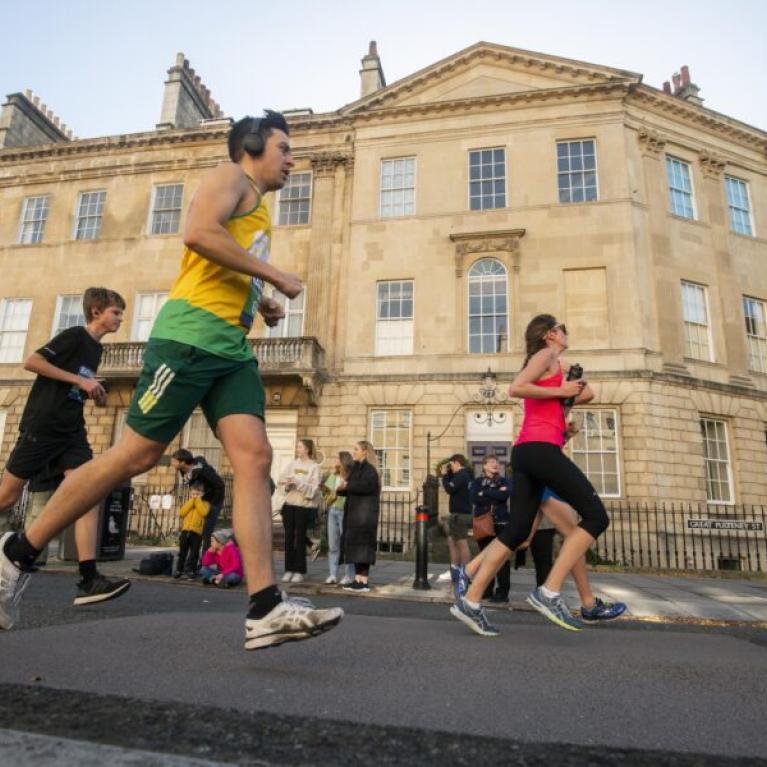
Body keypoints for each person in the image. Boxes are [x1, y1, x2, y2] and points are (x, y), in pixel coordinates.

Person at [0, 112, 343, 648]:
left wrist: (262, 301)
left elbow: (222, 264)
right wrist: (273, 275)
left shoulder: (260, 213)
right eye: (283, 148)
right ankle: (15, 557)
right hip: (187, 340)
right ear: (252, 147)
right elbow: (198, 234)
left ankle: (265, 607)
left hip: (229, 350)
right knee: (133, 457)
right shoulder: (231, 178)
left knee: (255, 459)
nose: (291, 159)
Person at [451, 314, 610, 636]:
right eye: (563, 328)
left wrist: (568, 385)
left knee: (516, 531)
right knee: (595, 517)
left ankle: (470, 600)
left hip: (529, 451)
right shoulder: (545, 354)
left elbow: (587, 394)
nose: (568, 333)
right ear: (551, 333)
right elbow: (516, 388)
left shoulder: (557, 362)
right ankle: (549, 592)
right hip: (539, 450)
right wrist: (561, 387)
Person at [0, 287, 130, 607]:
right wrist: (79, 381)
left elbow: (77, 385)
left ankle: (89, 579)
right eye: (116, 312)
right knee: (8, 495)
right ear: (97, 311)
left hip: (71, 431)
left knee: (86, 492)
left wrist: (92, 391)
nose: (120, 319)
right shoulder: (74, 336)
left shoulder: (96, 351)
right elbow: (33, 361)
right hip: (44, 425)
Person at [337, 441, 380, 593]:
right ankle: (357, 580)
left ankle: (364, 581)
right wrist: (340, 489)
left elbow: (365, 487)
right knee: (355, 548)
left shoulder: (370, 471)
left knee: (364, 548)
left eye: (356, 449)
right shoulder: (355, 469)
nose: (353, 452)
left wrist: (347, 486)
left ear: (365, 452)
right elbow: (350, 486)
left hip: (365, 515)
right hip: (354, 514)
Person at [277, 438, 321, 584]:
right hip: (290, 505)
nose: (297, 449)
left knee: (300, 538)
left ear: (307, 449)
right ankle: (289, 569)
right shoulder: (292, 464)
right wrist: (288, 485)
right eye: (297, 447)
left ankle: (299, 571)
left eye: (300, 447)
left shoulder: (314, 467)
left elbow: (314, 491)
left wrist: (299, 483)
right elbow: (281, 482)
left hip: (303, 507)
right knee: (289, 538)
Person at [469, 454, 511, 603]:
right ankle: (486, 590)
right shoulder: (477, 482)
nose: (495, 464)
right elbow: (475, 498)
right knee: (485, 558)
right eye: (491, 462)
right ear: (484, 466)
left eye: (496, 462)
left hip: (501, 524)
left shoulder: (504, 480)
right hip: (484, 524)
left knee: (501, 559)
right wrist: (495, 492)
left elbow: (504, 495)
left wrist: (485, 492)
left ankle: (502, 592)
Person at [171, 449, 225, 556]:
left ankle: (205, 563)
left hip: (211, 503)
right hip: (199, 502)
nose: (172, 463)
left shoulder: (204, 471)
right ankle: (193, 563)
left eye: (174, 461)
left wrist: (210, 503)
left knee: (206, 533)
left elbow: (220, 485)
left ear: (182, 462)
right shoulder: (185, 471)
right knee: (196, 531)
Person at [440, 454, 474, 599]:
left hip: (461, 515)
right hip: (457, 514)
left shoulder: (462, 475)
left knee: (461, 543)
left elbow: (449, 489)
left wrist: (444, 476)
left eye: (451, 465)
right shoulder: (461, 475)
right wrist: (447, 475)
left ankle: (465, 574)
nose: (450, 468)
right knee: (452, 541)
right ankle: (455, 570)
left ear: (457, 463)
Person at [322, 451, 355, 585]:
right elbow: (326, 495)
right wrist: (328, 494)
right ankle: (332, 574)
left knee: (346, 544)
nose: (335, 461)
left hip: (344, 511)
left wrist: (341, 490)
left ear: (344, 461)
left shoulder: (351, 478)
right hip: (332, 510)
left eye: (337, 458)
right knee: (333, 544)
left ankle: (349, 575)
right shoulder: (332, 477)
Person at [175, 482, 209, 579]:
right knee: (182, 552)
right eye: (193, 494)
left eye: (197, 494)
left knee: (194, 553)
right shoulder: (188, 502)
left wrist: (197, 501)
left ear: (202, 494)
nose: (195, 496)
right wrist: (191, 501)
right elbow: (182, 512)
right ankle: (179, 570)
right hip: (185, 531)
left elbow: (204, 512)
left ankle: (191, 570)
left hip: (196, 533)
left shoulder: (205, 504)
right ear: (190, 494)